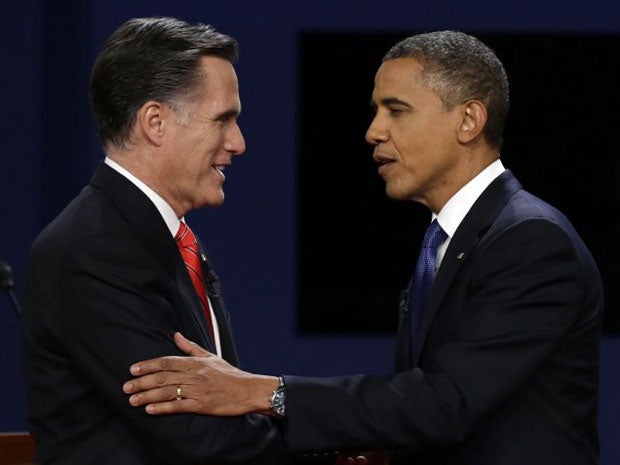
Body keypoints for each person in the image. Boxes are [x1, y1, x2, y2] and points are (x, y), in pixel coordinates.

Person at [123, 30, 604, 465]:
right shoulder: (452, 241)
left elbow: (446, 403)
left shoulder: (530, 241)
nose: (374, 131)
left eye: (396, 110)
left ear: (469, 120)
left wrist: (263, 392)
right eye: (376, 111)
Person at [21, 17, 285, 464]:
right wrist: (325, 435)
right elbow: (195, 436)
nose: (238, 142)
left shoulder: (156, 236)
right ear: (155, 122)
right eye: (224, 119)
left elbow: (220, 401)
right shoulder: (94, 249)